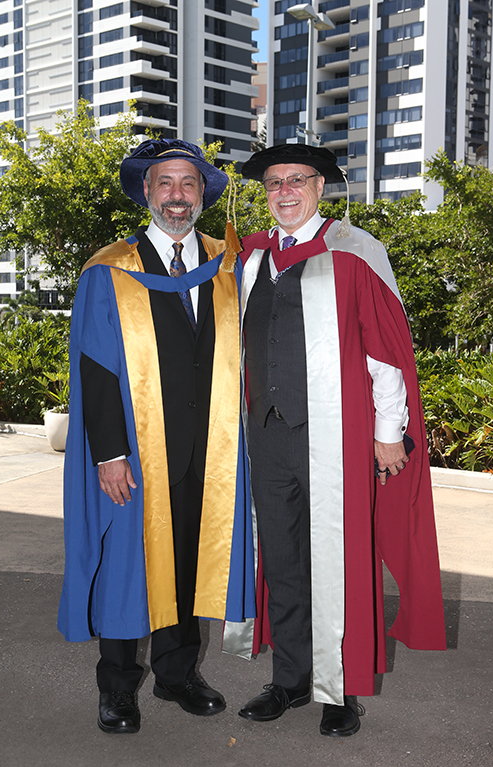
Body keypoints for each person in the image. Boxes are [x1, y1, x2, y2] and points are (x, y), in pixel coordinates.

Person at [233, 144, 445, 737]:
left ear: (320, 187)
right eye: (273, 183)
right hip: (268, 436)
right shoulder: (250, 259)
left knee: (340, 563)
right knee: (282, 559)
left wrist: (387, 434)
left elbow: (386, 354)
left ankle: (340, 691)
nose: (284, 191)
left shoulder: (353, 252)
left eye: (297, 180)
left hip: (339, 437)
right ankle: (291, 679)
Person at [58, 139, 255, 734]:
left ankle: (175, 675)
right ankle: (117, 688)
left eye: (188, 184)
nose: (177, 195)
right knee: (128, 565)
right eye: (165, 183)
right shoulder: (111, 270)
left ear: (202, 195)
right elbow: (96, 370)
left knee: (189, 563)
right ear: (146, 192)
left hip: (212, 450)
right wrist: (109, 453)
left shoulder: (230, 264)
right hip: (138, 453)